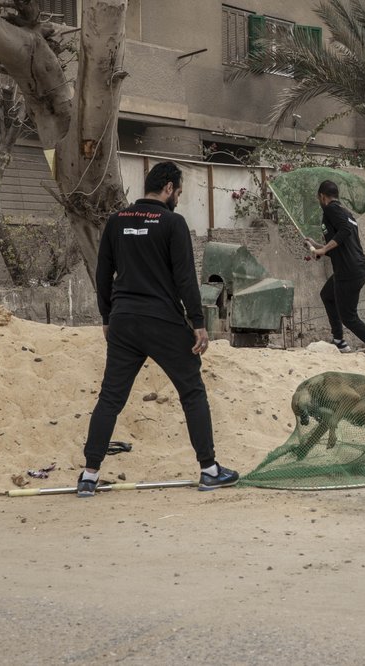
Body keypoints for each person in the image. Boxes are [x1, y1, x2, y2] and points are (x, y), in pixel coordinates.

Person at [77, 161, 239, 497]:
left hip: (123, 321)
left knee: (110, 397)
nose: (178, 198)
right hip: (162, 321)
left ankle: (89, 476)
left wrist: (107, 317)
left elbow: (102, 273)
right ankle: (209, 470)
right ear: (168, 188)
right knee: (192, 391)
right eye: (178, 192)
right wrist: (198, 322)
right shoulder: (172, 223)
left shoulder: (116, 221)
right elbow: (184, 278)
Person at [304, 181, 365, 353]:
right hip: (356, 268)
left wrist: (324, 248)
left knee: (349, 317)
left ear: (322, 197)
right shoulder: (345, 213)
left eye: (319, 198)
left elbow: (345, 231)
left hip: (348, 272)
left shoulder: (331, 210)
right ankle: (339, 340)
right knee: (327, 294)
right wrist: (317, 246)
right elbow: (340, 245)